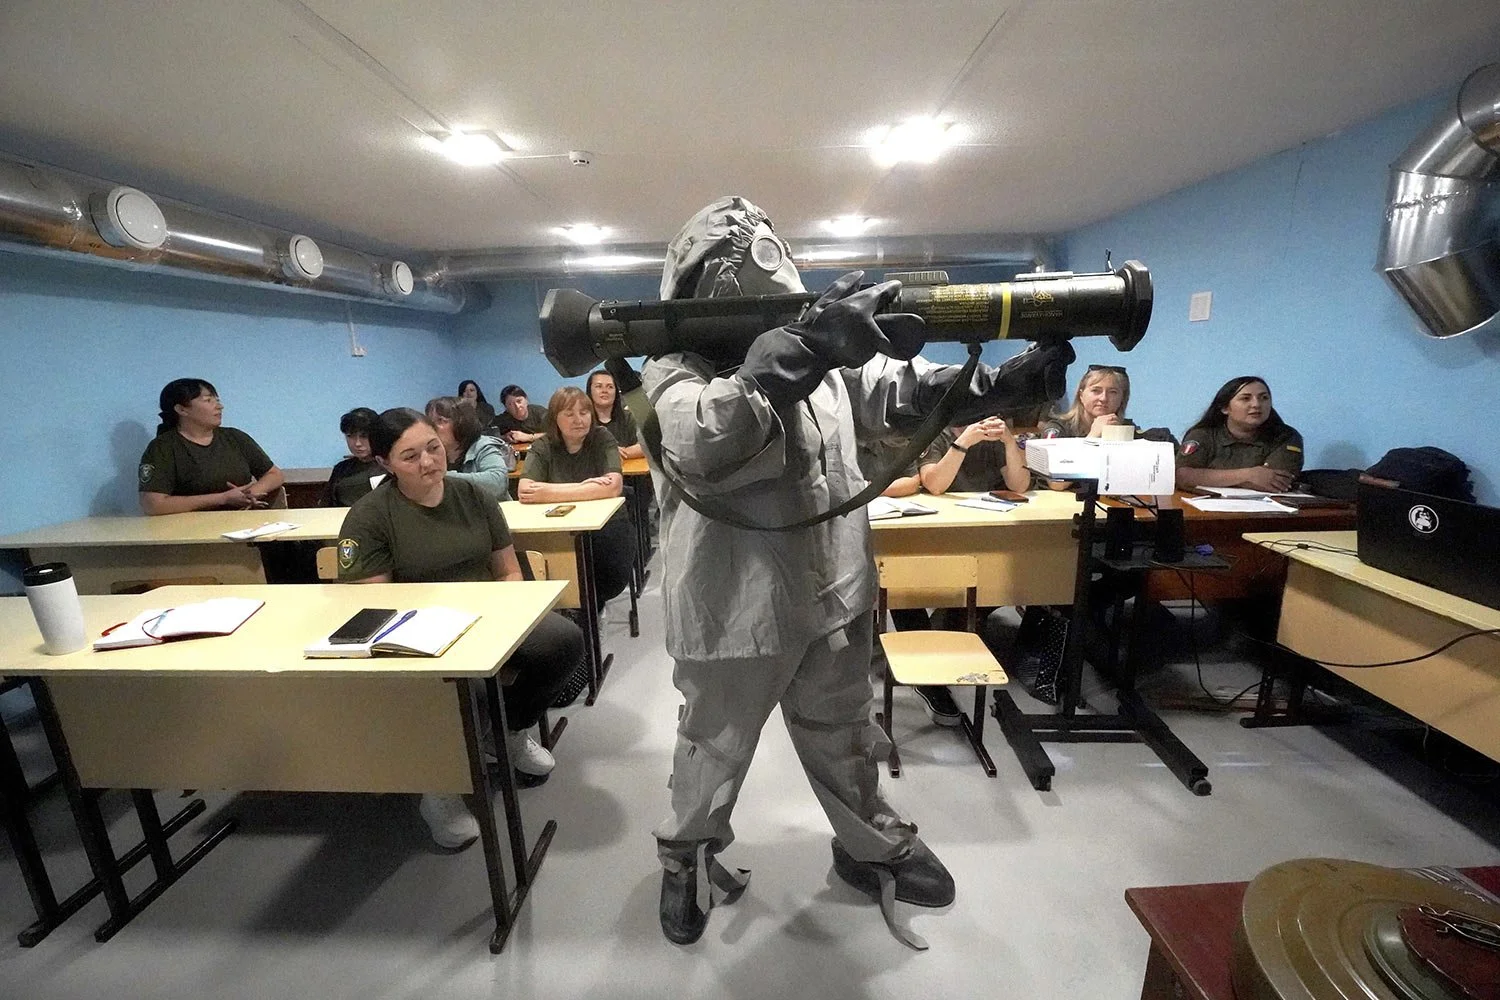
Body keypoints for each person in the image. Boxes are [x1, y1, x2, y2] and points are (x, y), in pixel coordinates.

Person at [637, 196, 1073, 948]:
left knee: (845, 734)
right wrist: (798, 352)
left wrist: (999, 385)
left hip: (831, 593)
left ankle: (868, 846)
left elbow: (903, 396)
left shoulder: (828, 361)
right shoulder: (674, 372)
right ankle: (686, 858)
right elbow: (706, 440)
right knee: (711, 748)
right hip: (731, 607)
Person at [336, 408, 584, 849]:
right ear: (384, 464)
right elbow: (373, 606)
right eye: (410, 457)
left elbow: (508, 570)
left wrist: (502, 614)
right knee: (455, 686)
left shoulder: (473, 496)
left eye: (433, 448)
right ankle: (440, 784)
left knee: (562, 642)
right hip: (416, 630)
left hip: (486, 615)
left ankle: (508, 733)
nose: (428, 462)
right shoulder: (370, 515)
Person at [516, 386, 636, 611]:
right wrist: (585, 486)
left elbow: (613, 487)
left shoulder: (602, 437)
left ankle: (591, 614)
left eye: (584, 413)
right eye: (569, 414)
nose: (578, 420)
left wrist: (549, 491)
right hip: (556, 528)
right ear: (555, 419)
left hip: (607, 526)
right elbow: (525, 491)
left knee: (601, 578)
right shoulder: (543, 445)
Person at [138, 378, 285, 514]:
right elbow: (153, 504)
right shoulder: (162, 447)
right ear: (182, 409)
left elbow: (274, 474)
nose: (219, 406)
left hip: (242, 525)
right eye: (208, 400)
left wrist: (251, 492)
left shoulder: (235, 437)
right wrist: (223, 498)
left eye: (217, 400)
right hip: (189, 531)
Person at [1176, 375, 1304, 492]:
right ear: (1225, 408)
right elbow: (1182, 476)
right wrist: (1249, 475)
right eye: (1245, 398)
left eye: (1264, 398)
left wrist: (1207, 477)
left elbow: (1275, 483)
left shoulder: (1286, 437)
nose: (1256, 404)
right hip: (1204, 509)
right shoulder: (1203, 434)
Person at [425, 396, 515, 502]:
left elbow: (497, 483)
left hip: (491, 512)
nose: (432, 427)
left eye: (440, 420)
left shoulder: (483, 445)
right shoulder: (431, 452)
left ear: (461, 422)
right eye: (430, 421)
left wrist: (443, 476)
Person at [1039, 364, 1132, 439]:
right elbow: (1053, 460)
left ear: (1122, 398)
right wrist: (1093, 436)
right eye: (1096, 390)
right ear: (1081, 395)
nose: (1103, 398)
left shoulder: (1128, 429)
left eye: (1113, 392)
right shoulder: (1058, 429)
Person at [322, 407, 384, 507]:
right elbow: (325, 507)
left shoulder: (389, 467)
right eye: (350, 436)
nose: (357, 443)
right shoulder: (341, 468)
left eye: (364, 436)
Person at [585, 370, 644, 460]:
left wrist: (614, 453)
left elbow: (645, 447)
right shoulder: (582, 420)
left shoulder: (628, 418)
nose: (604, 391)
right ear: (590, 391)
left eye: (610, 387)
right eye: (598, 386)